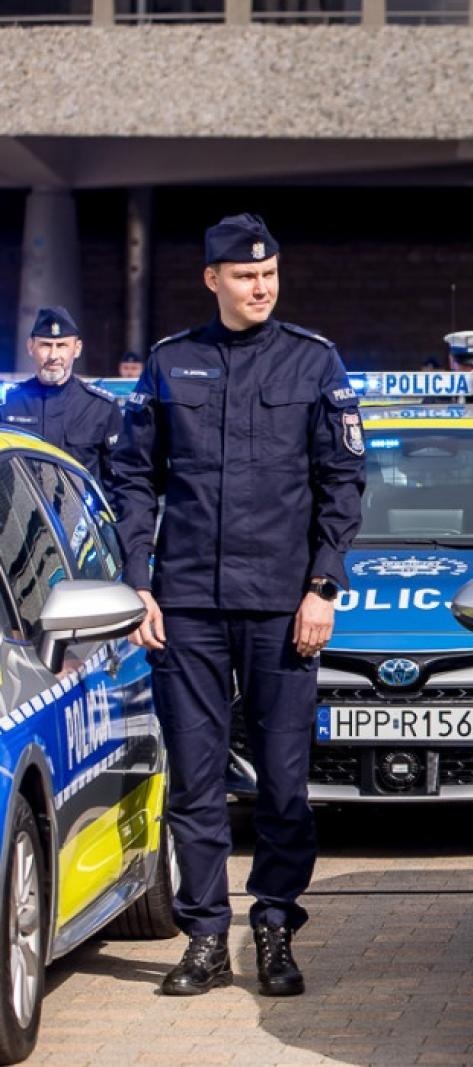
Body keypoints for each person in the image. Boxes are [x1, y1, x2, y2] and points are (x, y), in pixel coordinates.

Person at [108, 213, 366, 999]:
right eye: (247, 275)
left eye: (270, 274)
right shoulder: (169, 362)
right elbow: (133, 478)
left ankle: (276, 926)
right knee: (195, 780)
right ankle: (206, 937)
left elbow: (343, 482)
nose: (262, 287)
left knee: (283, 784)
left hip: (283, 606)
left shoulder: (314, 361)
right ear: (212, 279)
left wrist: (323, 586)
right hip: (186, 604)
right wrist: (137, 579)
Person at [0, 306, 122, 484]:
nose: (53, 355)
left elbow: (119, 478)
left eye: (62, 345)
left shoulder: (100, 407)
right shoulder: (7, 404)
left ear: (77, 349)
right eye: (45, 345)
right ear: (30, 347)